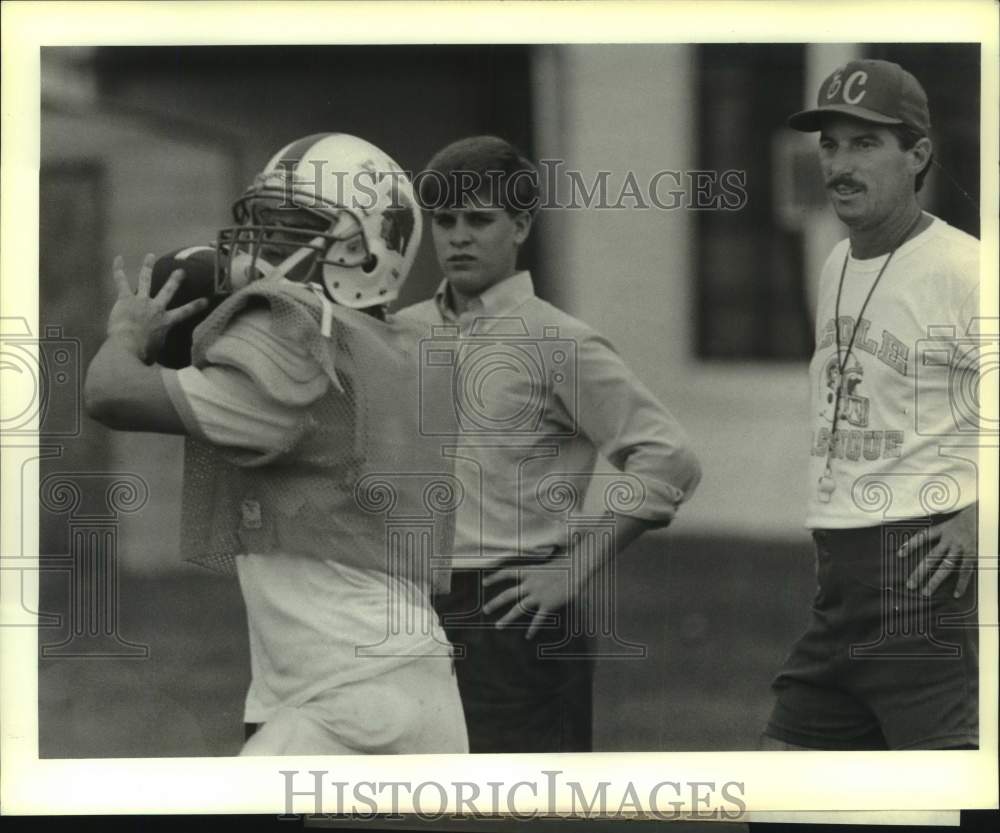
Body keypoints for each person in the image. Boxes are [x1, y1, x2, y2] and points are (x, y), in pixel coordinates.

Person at [84, 132, 468, 755]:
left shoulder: (301, 350)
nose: (261, 247)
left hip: (348, 700)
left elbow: (110, 393)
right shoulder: (388, 348)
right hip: (405, 686)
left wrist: (130, 333)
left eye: (291, 226)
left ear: (368, 248)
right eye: (261, 222)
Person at [398, 136, 702, 752]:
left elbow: (668, 457)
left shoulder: (559, 341)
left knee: (525, 809)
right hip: (409, 607)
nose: (459, 237)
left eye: (479, 220)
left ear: (521, 225)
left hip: (515, 611)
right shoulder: (401, 332)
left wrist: (572, 567)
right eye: (445, 221)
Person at [763, 60, 980, 750]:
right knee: (786, 788)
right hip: (840, 582)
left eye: (865, 143)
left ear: (918, 155)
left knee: (947, 798)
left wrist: (978, 516)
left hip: (920, 576)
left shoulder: (965, 268)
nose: (839, 164)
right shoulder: (835, 262)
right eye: (829, 143)